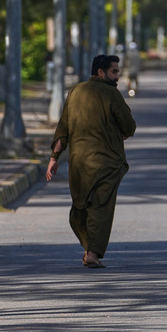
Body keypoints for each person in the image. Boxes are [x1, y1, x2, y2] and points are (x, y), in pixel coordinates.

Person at [46, 54, 136, 268]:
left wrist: (54, 158)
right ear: (101, 72)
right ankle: (92, 253)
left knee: (81, 208)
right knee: (100, 209)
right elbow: (129, 127)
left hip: (78, 165)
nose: (117, 76)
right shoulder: (111, 94)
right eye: (114, 71)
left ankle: (89, 251)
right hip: (107, 163)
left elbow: (63, 129)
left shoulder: (75, 91)